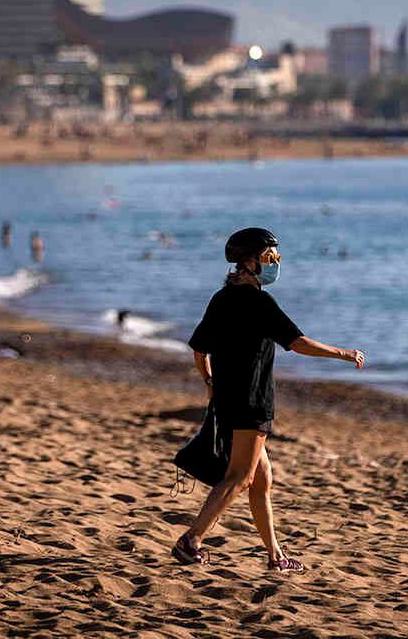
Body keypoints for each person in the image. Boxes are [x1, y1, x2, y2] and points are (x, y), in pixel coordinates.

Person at [173, 227, 365, 572]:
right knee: (240, 478)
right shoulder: (260, 303)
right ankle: (191, 540)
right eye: (269, 257)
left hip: (227, 401)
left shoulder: (221, 298)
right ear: (249, 262)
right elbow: (298, 343)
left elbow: (200, 350)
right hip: (252, 403)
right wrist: (343, 353)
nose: (275, 263)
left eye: (277, 257)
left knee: (261, 479)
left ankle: (276, 556)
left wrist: (210, 383)